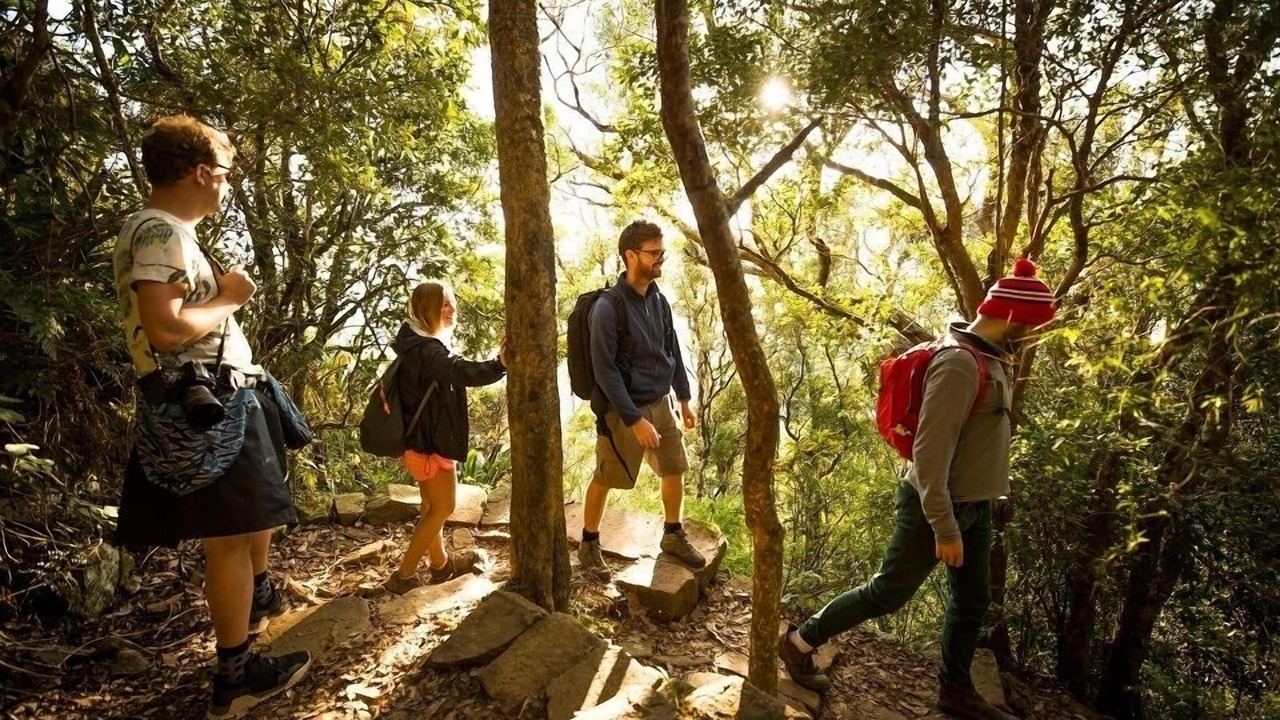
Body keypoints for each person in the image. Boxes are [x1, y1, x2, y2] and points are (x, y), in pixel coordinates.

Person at [780, 259, 1057, 720]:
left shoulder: (991, 358)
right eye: (1027, 323)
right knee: (888, 592)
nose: (1028, 332)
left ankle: (955, 690)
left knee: (972, 601)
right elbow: (929, 456)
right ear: (1010, 315)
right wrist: (944, 527)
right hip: (939, 507)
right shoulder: (960, 365)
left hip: (976, 507)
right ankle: (799, 641)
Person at [112, 115, 311, 719]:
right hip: (207, 408)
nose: (226, 185)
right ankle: (236, 672)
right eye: (223, 174)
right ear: (200, 173)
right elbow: (167, 328)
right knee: (226, 539)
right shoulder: (160, 231)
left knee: (252, 521)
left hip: (224, 397)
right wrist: (228, 297)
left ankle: (256, 599)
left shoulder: (167, 232)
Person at [577, 220, 705, 579]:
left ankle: (673, 534)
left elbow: (672, 349)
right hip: (622, 411)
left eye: (662, 252)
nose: (661, 259)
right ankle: (589, 543)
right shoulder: (608, 308)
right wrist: (634, 419)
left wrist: (683, 397)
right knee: (607, 475)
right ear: (630, 256)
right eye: (654, 253)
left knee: (674, 467)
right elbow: (605, 370)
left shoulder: (658, 300)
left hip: (661, 403)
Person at [383, 280, 507, 595]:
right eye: (445, 305)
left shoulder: (414, 341)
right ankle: (404, 576)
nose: (453, 310)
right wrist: (499, 365)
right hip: (429, 446)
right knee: (442, 508)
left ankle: (440, 566)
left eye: (452, 303)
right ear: (427, 311)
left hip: (418, 444)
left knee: (430, 507)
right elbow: (459, 371)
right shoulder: (428, 350)